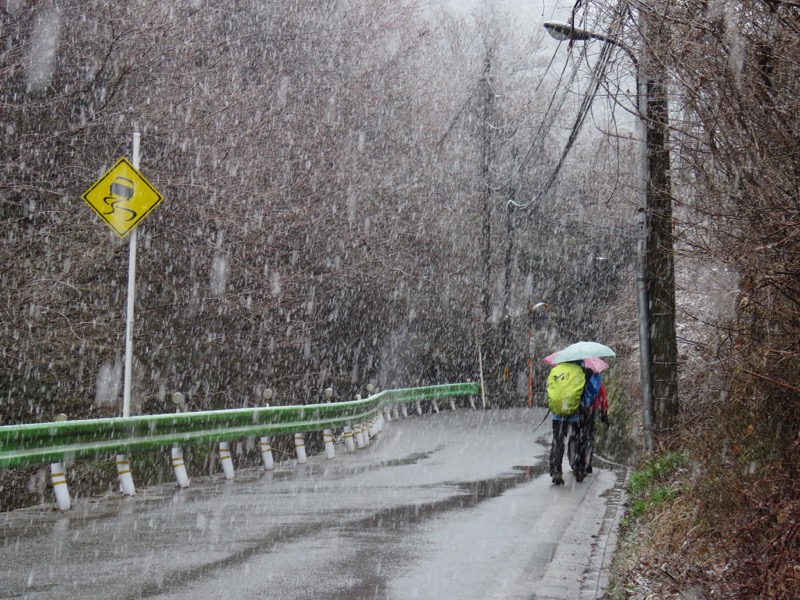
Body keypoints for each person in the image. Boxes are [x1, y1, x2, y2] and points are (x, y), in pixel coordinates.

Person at [549, 361, 599, 485]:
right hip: (575, 414)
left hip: (557, 414)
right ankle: (579, 469)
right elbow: (592, 392)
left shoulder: (556, 370)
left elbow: (550, 389)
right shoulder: (581, 372)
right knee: (577, 440)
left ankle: (556, 469)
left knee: (558, 441)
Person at [585, 376, 609, 474]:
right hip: (591, 410)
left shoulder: (572, 371)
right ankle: (587, 462)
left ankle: (576, 460)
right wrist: (603, 412)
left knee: (576, 435)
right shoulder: (595, 376)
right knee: (589, 436)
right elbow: (602, 395)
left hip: (575, 409)